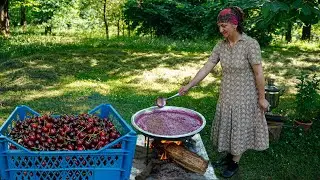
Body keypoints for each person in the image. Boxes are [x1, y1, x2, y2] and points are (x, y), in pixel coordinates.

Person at [179, 6, 269, 178]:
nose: (221, 30)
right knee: (229, 127)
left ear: (234, 24)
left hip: (245, 97)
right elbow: (207, 67)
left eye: (223, 26)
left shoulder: (250, 44)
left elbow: (259, 73)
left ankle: (234, 162)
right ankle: (229, 156)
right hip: (227, 94)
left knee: (239, 129)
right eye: (219, 26)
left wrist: (262, 98)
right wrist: (189, 86)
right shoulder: (221, 46)